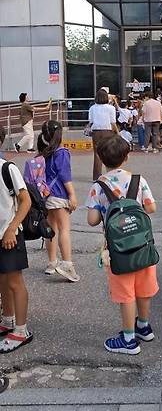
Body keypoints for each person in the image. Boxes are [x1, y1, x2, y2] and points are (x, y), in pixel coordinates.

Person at [84, 135, 158, 355]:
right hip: (143, 245)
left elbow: (92, 220)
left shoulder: (98, 187)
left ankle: (128, 340)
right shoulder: (138, 180)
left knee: (126, 294)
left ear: (101, 158)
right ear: (126, 157)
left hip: (117, 250)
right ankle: (143, 327)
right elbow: (151, 208)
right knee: (144, 289)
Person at [0, 125, 33, 353]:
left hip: (10, 233)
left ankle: (21, 331)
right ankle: (8, 319)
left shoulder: (6, 168)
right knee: (2, 280)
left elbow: (26, 200)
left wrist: (12, 228)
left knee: (14, 282)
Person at [35, 121, 80, 282]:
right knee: (64, 229)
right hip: (59, 195)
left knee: (51, 230)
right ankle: (67, 264)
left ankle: (52, 263)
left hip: (46, 196)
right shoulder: (62, 153)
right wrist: (72, 195)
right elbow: (65, 176)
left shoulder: (42, 153)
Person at [89, 89, 118, 181]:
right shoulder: (111, 108)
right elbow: (113, 123)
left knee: (97, 154)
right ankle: (111, 174)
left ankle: (96, 176)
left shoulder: (92, 108)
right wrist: (117, 133)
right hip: (107, 131)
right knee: (109, 153)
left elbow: (91, 121)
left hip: (96, 132)